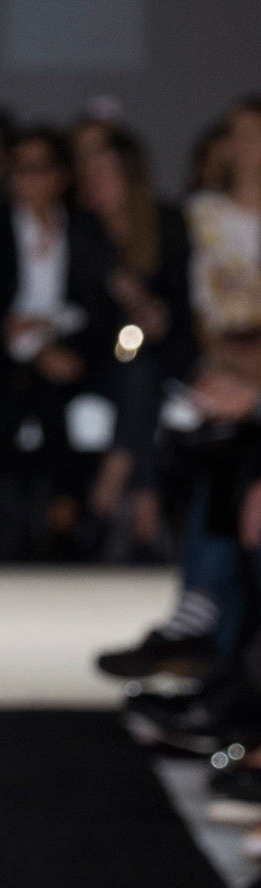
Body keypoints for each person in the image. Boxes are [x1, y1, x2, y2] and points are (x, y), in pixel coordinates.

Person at [101, 97, 261, 685]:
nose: (245, 145)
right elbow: (197, 314)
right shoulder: (198, 217)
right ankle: (212, 645)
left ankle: (209, 637)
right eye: (237, 133)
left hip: (248, 378)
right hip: (219, 366)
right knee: (223, 442)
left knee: (233, 447)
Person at [0, 126, 106, 557]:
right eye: (18, 168)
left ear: (60, 176)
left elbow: (95, 308)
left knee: (36, 384)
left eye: (36, 168)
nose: (24, 179)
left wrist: (49, 338)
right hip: (2, 356)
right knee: (30, 386)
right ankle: (65, 509)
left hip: (66, 350)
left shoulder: (82, 228)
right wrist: (35, 346)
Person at [77, 126, 194, 558]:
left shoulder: (166, 223)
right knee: (138, 371)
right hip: (104, 361)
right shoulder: (84, 231)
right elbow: (83, 317)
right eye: (90, 173)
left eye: (106, 173)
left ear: (131, 176)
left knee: (144, 368)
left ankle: (111, 483)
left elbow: (183, 305)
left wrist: (151, 310)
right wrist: (118, 295)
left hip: (164, 355)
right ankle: (144, 498)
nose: (96, 183)